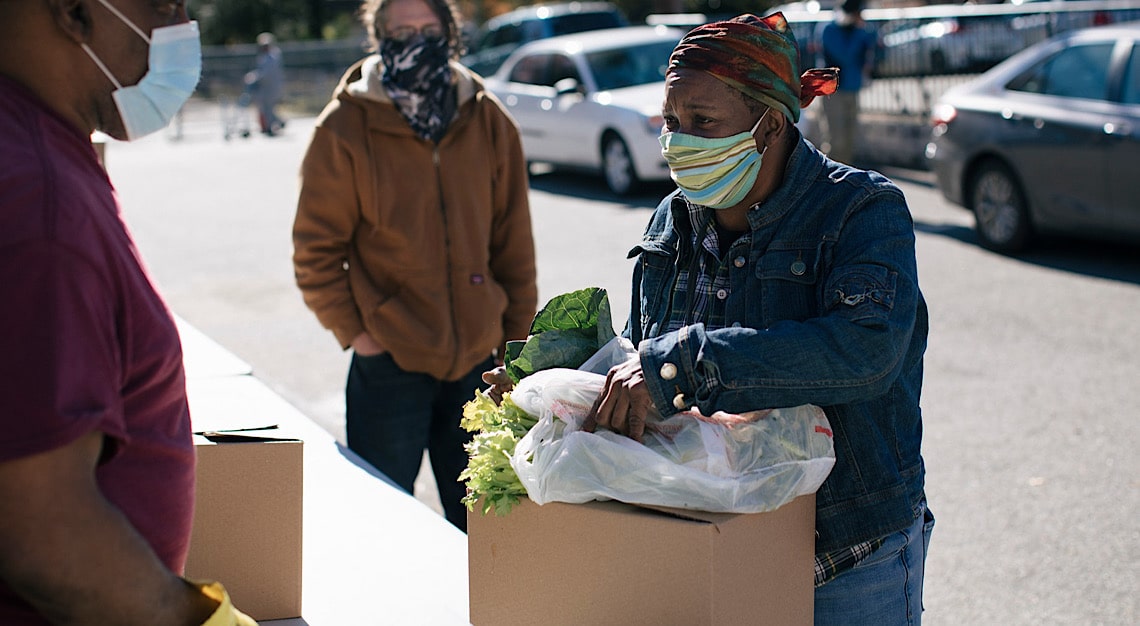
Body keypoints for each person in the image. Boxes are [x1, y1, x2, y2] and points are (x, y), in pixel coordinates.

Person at [487, 12, 931, 624]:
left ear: (769, 123)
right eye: (671, 120)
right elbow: (642, 361)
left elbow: (865, 351)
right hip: (715, 541)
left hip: (849, 552)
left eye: (702, 122)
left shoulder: (861, 212)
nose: (678, 141)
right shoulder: (673, 218)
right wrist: (559, 386)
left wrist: (687, 366)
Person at [0, 0, 255, 624]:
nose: (180, 27)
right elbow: (42, 531)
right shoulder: (40, 206)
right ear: (72, 13)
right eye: (165, 5)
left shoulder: (38, 142)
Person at [292, 0, 537, 532]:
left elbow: (514, 251)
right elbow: (314, 253)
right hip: (389, 366)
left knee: (487, 530)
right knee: (385, 529)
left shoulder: (490, 121)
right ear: (379, 37)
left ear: (450, 34)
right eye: (402, 31)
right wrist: (360, 334)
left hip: (479, 364)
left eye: (428, 29)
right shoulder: (344, 128)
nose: (416, 41)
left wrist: (516, 356)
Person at [820, 0, 878, 164]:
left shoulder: (859, 31)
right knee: (835, 138)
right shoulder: (829, 29)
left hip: (852, 88)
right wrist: (858, 34)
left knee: (850, 137)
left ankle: (845, 173)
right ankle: (829, 174)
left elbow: (873, 42)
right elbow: (844, 55)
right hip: (834, 91)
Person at [244, 31, 285, 136]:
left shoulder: (272, 57)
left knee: (268, 108)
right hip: (265, 87)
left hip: (271, 87)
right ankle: (276, 123)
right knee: (266, 108)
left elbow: (266, 73)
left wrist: (254, 77)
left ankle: (271, 125)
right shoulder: (265, 57)